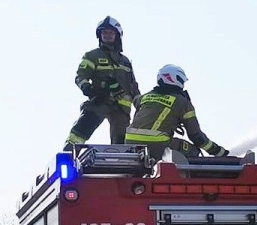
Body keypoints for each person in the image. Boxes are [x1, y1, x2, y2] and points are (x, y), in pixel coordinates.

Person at [124, 65, 228, 160]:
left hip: (130, 143)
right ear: (175, 79)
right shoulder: (182, 102)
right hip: (157, 144)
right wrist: (218, 151)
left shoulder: (145, 97)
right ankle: (181, 177)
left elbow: (138, 102)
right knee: (192, 151)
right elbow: (196, 135)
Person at [64, 16, 139, 147]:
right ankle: (70, 149)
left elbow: (133, 85)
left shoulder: (125, 61)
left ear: (117, 35)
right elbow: (80, 76)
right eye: (104, 32)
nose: (107, 35)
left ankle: (120, 163)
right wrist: (89, 89)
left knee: (122, 142)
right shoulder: (93, 56)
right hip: (101, 100)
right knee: (86, 123)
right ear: (100, 35)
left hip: (122, 109)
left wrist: (140, 103)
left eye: (111, 32)